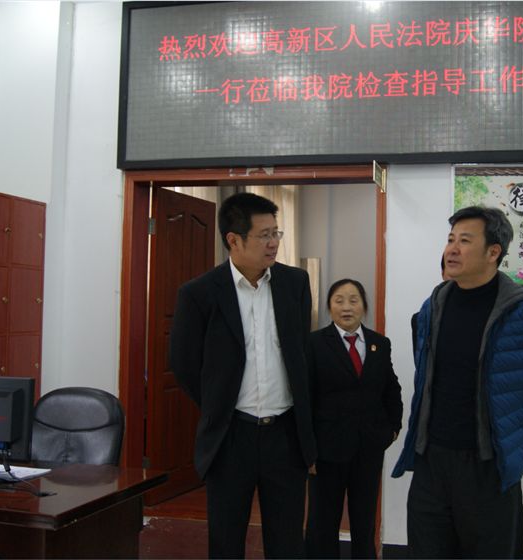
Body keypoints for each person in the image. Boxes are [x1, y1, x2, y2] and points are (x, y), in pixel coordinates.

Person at [392, 206, 523, 558]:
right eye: (450, 239)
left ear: (493, 252)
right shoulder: (432, 306)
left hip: (489, 465)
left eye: (465, 241)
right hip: (431, 460)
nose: (452, 249)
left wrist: (511, 424)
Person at [170, 192, 315, 559]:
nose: (273, 243)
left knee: (287, 543)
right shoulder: (199, 294)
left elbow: (300, 354)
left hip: (285, 435)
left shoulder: (295, 284)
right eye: (264, 235)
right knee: (226, 541)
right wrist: (219, 403)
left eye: (276, 233)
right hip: (231, 437)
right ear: (233, 240)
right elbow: (185, 365)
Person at [305, 279, 403, 559]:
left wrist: (392, 428)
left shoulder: (379, 344)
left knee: (364, 520)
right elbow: (306, 398)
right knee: (323, 522)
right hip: (326, 451)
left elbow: (391, 388)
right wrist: (307, 448)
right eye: (339, 300)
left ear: (364, 306)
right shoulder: (313, 343)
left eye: (353, 300)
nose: (346, 307)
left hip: (368, 449)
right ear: (329, 307)